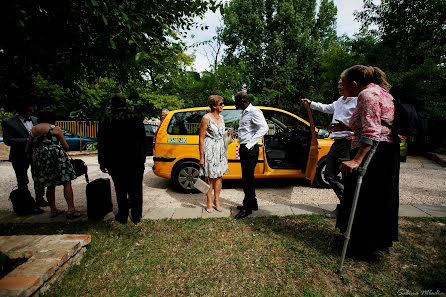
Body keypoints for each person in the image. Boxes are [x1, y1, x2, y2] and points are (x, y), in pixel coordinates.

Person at [332, 65, 400, 262]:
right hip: (386, 151)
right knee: (368, 198)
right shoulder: (383, 93)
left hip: (375, 153)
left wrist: (356, 160)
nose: (342, 88)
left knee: (368, 199)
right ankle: (354, 238)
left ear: (354, 84)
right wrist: (347, 126)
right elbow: (374, 123)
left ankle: (365, 246)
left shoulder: (366, 95)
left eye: (344, 84)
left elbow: (372, 131)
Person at [301, 81, 357, 218]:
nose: (338, 87)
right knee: (329, 175)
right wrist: (311, 103)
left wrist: (355, 134)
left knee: (347, 178)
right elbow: (326, 108)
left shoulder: (357, 101)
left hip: (347, 143)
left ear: (351, 85)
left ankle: (347, 207)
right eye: (338, 84)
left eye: (341, 85)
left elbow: (365, 123)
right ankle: (348, 203)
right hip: (336, 142)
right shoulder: (339, 101)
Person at [98, 94, 146, 224]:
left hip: (115, 160)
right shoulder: (135, 118)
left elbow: (102, 142)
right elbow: (143, 139)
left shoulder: (107, 120)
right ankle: (136, 215)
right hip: (135, 159)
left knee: (120, 188)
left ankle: (123, 214)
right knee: (136, 188)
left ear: (112, 105)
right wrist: (143, 157)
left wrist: (102, 161)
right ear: (125, 103)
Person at [25, 110, 81, 219]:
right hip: (57, 158)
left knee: (49, 184)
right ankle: (71, 209)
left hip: (41, 159)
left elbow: (28, 149)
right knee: (66, 181)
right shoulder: (54, 128)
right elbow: (66, 146)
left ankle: (53, 210)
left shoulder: (33, 131)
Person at [2, 102, 48, 208]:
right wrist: (28, 140)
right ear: (21, 110)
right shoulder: (8, 122)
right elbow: (8, 140)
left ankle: (40, 198)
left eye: (32, 110)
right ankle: (26, 201)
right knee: (22, 179)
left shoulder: (36, 120)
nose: (31, 112)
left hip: (36, 154)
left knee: (39, 177)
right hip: (19, 155)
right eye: (29, 110)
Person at [234, 91, 269, 219]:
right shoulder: (244, 112)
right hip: (244, 147)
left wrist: (250, 144)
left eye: (236, 101)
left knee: (247, 179)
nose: (235, 104)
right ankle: (252, 203)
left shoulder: (254, 111)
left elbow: (264, 128)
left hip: (250, 149)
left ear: (242, 101)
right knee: (247, 177)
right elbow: (247, 130)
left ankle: (247, 208)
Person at [199, 95, 233, 213]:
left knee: (219, 177)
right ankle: (208, 201)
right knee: (209, 177)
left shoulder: (222, 117)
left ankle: (217, 200)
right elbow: (201, 138)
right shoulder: (206, 118)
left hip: (220, 150)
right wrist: (201, 157)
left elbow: (219, 134)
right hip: (209, 150)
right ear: (214, 106)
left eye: (223, 103)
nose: (223, 106)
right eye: (221, 104)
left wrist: (227, 133)